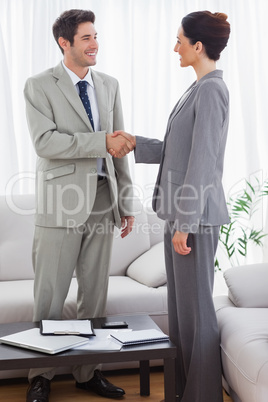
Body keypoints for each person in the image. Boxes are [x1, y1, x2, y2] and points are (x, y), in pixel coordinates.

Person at [111, 10, 231, 402]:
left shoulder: (212, 89)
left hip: (192, 219)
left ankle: (203, 396)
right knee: (180, 317)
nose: (174, 47)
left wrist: (185, 222)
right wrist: (136, 143)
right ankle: (181, 394)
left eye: (179, 40)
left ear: (198, 46)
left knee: (197, 315)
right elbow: (178, 150)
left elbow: (203, 160)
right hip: (180, 216)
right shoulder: (196, 89)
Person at [24, 9, 134, 402]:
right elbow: (46, 143)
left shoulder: (109, 84)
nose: (94, 45)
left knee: (94, 293)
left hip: (104, 201)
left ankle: (90, 371)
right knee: (51, 295)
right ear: (64, 43)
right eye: (86, 38)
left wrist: (126, 201)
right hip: (60, 203)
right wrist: (100, 142)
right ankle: (41, 375)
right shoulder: (39, 85)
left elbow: (119, 146)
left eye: (96, 36)